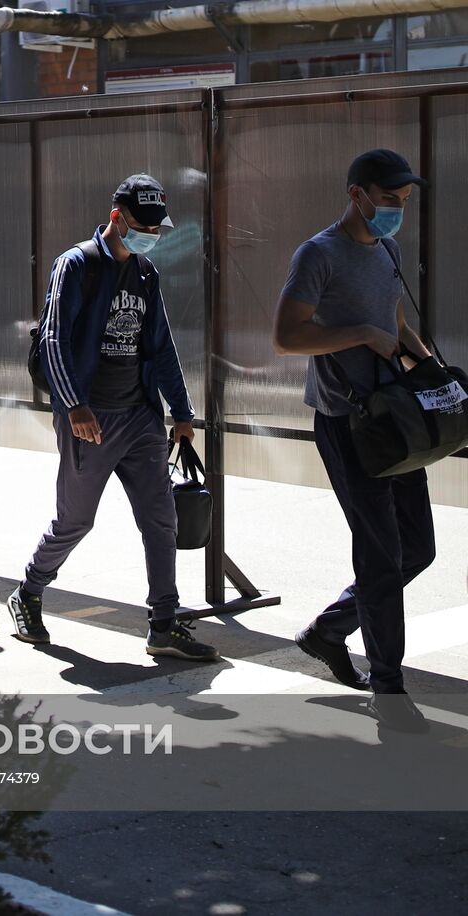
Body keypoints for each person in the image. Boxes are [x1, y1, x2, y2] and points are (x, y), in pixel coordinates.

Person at [10, 174, 218, 662]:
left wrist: (182, 413)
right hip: (90, 418)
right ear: (116, 218)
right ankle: (29, 592)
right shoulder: (76, 264)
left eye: (156, 228)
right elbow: (54, 339)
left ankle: (164, 623)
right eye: (142, 226)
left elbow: (161, 346)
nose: (150, 235)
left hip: (141, 417)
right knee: (75, 520)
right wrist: (74, 404)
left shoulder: (146, 274)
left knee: (161, 519)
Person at [273, 148, 436, 732]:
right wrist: (361, 334)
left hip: (393, 418)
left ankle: (327, 631)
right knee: (381, 556)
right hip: (347, 421)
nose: (396, 210)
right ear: (357, 194)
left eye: (404, 201)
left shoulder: (387, 249)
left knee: (417, 548)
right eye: (388, 199)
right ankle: (388, 692)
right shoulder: (318, 254)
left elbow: (391, 318)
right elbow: (288, 337)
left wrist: (427, 364)